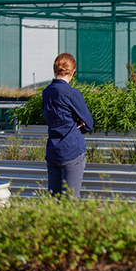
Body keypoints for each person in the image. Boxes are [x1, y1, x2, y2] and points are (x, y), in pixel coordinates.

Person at [42, 52, 93, 198]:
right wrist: (78, 124)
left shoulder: (46, 93)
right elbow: (89, 123)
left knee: (55, 202)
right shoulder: (72, 93)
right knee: (70, 202)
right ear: (73, 72)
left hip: (53, 150)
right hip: (71, 150)